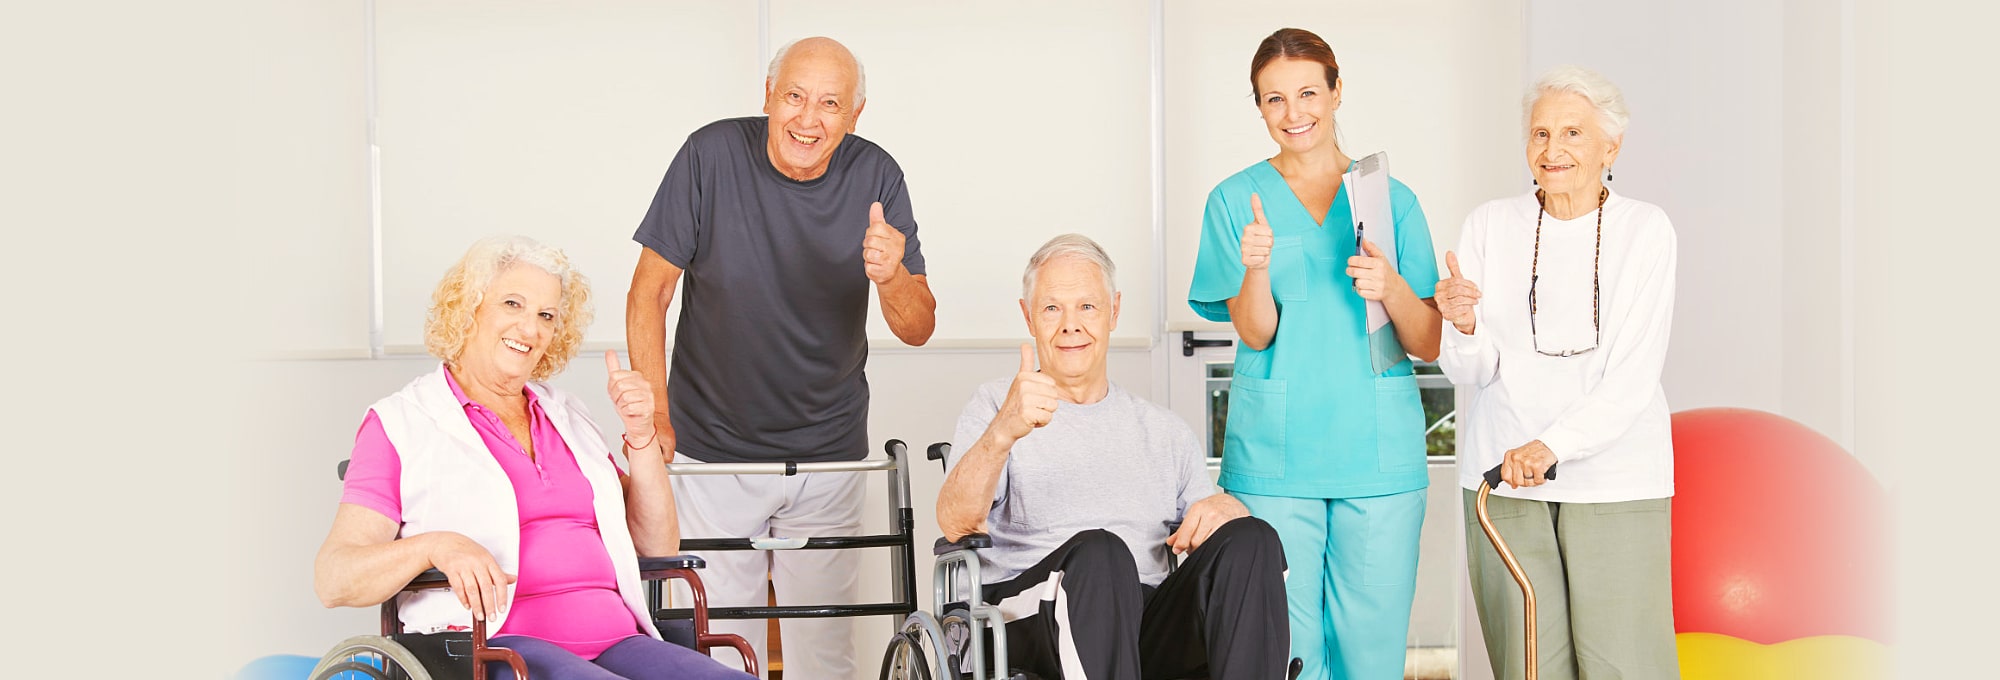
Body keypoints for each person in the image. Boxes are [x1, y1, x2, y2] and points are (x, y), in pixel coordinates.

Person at [624, 36, 936, 678]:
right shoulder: (709, 154)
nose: (807, 118)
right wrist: (656, 416)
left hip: (828, 450)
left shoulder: (878, 174)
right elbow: (647, 292)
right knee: (717, 651)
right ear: (768, 96)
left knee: (827, 656)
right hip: (713, 451)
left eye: (829, 103)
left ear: (855, 114)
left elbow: (918, 326)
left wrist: (892, 275)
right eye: (794, 96)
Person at [313, 235, 753, 680]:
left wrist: (641, 438)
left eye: (546, 315)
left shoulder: (567, 415)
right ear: (469, 307)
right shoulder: (402, 422)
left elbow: (657, 547)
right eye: (512, 304)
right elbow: (334, 577)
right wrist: (436, 546)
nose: (530, 329)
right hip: (496, 648)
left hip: (620, 641)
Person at [1186, 27, 1443, 680]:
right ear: (1260, 108)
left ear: (1335, 92)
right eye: (1274, 100)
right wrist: (1254, 267)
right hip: (1278, 461)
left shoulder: (1391, 200)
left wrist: (1391, 289)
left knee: (1372, 654)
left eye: (1307, 93)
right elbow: (1256, 332)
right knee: (1287, 652)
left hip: (1377, 457)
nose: (1293, 113)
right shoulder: (1233, 201)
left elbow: (1427, 340)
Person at [938, 234, 1289, 680]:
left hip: (1144, 622)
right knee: (1103, 553)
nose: (1071, 325)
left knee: (1251, 536)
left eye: (1087, 306)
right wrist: (1003, 432)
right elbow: (954, 522)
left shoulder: (1165, 432)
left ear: (1114, 312)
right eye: (1052, 308)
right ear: (1028, 316)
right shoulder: (995, 406)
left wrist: (1227, 510)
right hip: (1029, 616)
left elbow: (1210, 541)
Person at [1436, 65, 1680, 680]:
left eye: (1572, 133)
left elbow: (1633, 374)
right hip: (1504, 478)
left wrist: (1552, 446)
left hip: (1615, 480)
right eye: (1540, 134)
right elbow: (1474, 368)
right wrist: (1462, 325)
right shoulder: (1490, 225)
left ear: (1611, 146)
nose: (1553, 150)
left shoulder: (1645, 230)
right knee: (1529, 667)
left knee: (1624, 665)